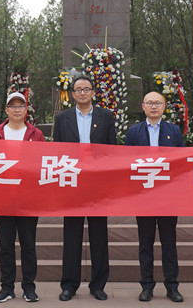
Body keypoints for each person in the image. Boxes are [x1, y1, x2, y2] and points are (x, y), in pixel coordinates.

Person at [53, 74, 117, 301]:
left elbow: (111, 150)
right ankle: (69, 285)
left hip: (98, 184)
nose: (82, 92)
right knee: (72, 235)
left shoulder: (106, 116)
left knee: (99, 235)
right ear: (72, 94)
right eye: (78, 89)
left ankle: (98, 285)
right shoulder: (62, 118)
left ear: (93, 92)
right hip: (72, 182)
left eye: (86, 89)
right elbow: (56, 151)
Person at [125, 91, 185, 303]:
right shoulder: (134, 132)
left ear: (164, 106)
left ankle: (172, 286)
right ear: (143, 106)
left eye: (157, 103)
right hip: (144, 195)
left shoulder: (173, 130)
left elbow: (181, 161)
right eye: (149, 103)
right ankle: (147, 286)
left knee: (169, 243)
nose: (153, 106)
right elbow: (126, 162)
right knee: (145, 243)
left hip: (168, 195)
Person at [0, 92, 46, 303]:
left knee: (28, 245)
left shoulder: (36, 134)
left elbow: (42, 162)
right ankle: (7, 288)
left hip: (28, 199)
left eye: (20, 105)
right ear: (6, 110)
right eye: (12, 106)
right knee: (6, 246)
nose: (17, 109)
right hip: (3, 199)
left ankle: (29, 288)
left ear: (26, 109)